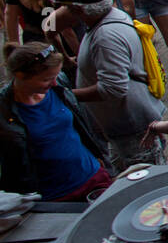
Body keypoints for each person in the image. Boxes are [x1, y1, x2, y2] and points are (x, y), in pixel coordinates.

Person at [50, 0, 165, 168]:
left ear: (78, 9)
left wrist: (67, 94)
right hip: (123, 125)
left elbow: (113, 89)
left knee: (146, 178)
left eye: (66, 6)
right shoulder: (110, 15)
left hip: (130, 127)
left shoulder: (106, 38)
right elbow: (51, 26)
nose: (62, 11)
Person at [0, 41, 112, 200]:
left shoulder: (58, 84)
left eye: (55, 77)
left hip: (93, 177)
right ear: (20, 75)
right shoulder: (4, 111)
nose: (54, 83)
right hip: (56, 195)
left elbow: (79, 127)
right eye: (46, 79)